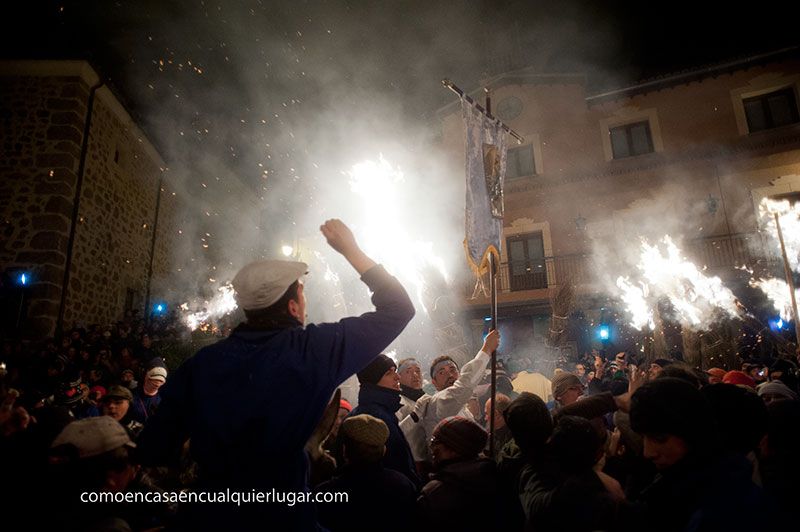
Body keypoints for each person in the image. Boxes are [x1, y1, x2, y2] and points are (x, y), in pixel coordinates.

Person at [136, 219, 415, 530]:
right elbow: (399, 308)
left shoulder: (201, 364)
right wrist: (351, 250)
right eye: (302, 293)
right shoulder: (311, 351)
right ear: (294, 307)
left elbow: (154, 447)